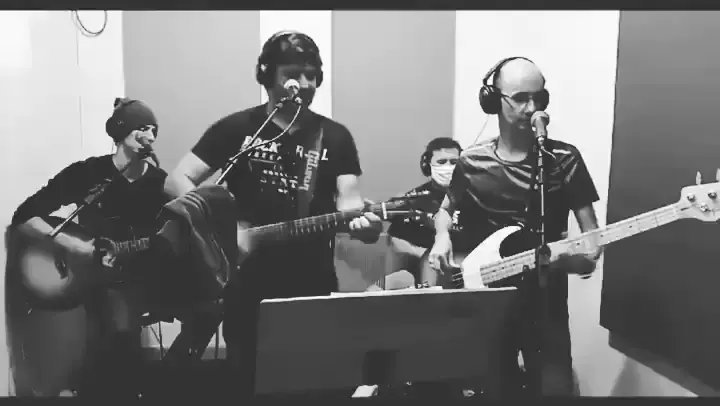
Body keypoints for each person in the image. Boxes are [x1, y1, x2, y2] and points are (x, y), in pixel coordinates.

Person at [164, 30, 383, 399]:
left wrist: (366, 226)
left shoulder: (335, 136)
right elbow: (176, 180)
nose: (306, 84)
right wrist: (218, 227)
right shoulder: (238, 129)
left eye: (312, 75)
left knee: (314, 384)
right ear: (267, 77)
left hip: (311, 281)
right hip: (247, 282)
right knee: (249, 381)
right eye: (294, 74)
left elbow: (349, 202)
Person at [427, 57, 603, 398]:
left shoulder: (564, 159)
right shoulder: (472, 161)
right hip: (488, 303)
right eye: (521, 98)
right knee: (496, 391)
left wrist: (575, 259)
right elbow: (444, 211)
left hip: (546, 306)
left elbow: (591, 242)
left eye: (540, 98)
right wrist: (441, 237)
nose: (532, 109)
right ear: (493, 100)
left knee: (554, 391)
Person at [9, 98, 169, 398]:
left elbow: (163, 239)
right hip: (86, 277)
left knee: (122, 329)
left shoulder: (160, 183)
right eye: (142, 128)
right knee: (109, 331)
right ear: (120, 131)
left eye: (153, 130)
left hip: (132, 279)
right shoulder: (89, 173)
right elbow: (24, 216)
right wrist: (73, 244)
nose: (150, 136)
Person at [386, 137, 463, 288]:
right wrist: (426, 257)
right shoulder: (412, 201)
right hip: (425, 276)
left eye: (453, 162)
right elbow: (395, 240)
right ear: (427, 166)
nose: (448, 167)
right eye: (442, 162)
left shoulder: (476, 196)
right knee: (379, 288)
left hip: (470, 270)